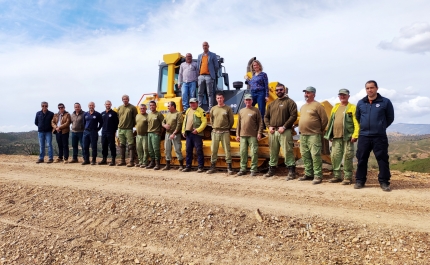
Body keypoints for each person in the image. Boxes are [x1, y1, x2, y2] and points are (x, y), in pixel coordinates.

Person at [355, 80, 395, 192]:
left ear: (377, 88)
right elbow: (358, 117)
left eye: (371, 88)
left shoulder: (385, 102)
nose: (369, 90)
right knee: (361, 159)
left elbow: (390, 117)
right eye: (367, 88)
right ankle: (360, 181)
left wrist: (381, 127)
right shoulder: (361, 103)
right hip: (364, 136)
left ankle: (384, 182)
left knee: (382, 159)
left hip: (379, 136)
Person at [324, 89, 360, 185]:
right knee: (335, 156)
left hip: (347, 137)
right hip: (336, 136)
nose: (342, 96)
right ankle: (337, 176)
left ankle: (347, 177)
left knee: (347, 156)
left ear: (348, 96)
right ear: (339, 96)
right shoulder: (335, 107)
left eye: (344, 95)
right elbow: (331, 121)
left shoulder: (352, 107)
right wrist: (330, 133)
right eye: (341, 95)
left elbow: (356, 122)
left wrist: (355, 134)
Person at [263, 83, 298, 179]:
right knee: (273, 151)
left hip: (284, 131)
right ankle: (271, 170)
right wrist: (269, 126)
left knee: (287, 151)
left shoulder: (290, 102)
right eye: (277, 90)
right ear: (275, 91)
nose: (279, 91)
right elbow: (266, 117)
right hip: (273, 131)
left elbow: (293, 116)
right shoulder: (271, 104)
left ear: (284, 90)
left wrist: (285, 126)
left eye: (281, 90)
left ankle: (291, 172)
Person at [298, 86, 328, 184]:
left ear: (313, 94)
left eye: (308, 93)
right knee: (305, 155)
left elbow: (324, 120)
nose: (306, 94)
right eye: (305, 93)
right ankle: (308, 174)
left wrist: (318, 130)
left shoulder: (318, 106)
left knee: (315, 155)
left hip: (314, 135)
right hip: (303, 135)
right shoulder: (303, 107)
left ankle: (318, 176)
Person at [206, 92, 235, 175]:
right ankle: (212, 166)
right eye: (218, 98)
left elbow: (231, 121)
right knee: (214, 150)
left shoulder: (228, 108)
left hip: (225, 132)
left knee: (227, 150)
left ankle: (229, 167)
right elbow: (211, 120)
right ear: (216, 99)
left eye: (221, 98)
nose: (219, 99)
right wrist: (215, 126)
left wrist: (227, 128)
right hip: (215, 132)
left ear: (223, 98)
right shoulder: (213, 109)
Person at [236, 94, 263, 176]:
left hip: (253, 135)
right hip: (242, 135)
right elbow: (238, 124)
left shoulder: (256, 110)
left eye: (249, 100)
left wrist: (259, 133)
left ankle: (253, 169)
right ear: (244, 101)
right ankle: (243, 169)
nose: (248, 101)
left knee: (254, 152)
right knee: (243, 152)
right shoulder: (241, 111)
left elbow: (260, 122)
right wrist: (237, 134)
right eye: (246, 100)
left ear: (252, 101)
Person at [181, 98, 207, 172]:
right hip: (189, 133)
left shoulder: (201, 111)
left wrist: (198, 130)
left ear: (197, 103)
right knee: (188, 150)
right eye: (191, 103)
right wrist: (183, 131)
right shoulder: (188, 110)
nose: (192, 104)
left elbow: (204, 122)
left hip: (197, 134)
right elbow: (184, 122)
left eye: (193, 103)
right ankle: (188, 166)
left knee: (199, 150)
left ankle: (200, 167)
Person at [162, 101, 184, 171]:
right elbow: (163, 122)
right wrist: (165, 126)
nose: (167, 107)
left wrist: (174, 133)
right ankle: (168, 165)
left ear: (173, 106)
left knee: (177, 149)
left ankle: (181, 165)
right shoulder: (168, 114)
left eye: (168, 106)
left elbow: (179, 125)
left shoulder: (178, 114)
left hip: (175, 135)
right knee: (167, 149)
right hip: (167, 134)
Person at [197, 41, 219, 111]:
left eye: (206, 45)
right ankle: (199, 108)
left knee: (210, 93)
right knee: (200, 93)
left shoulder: (213, 55)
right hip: (201, 76)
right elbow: (198, 66)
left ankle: (210, 108)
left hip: (209, 76)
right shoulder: (199, 56)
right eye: (203, 45)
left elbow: (216, 66)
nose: (204, 47)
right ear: (202, 47)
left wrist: (212, 73)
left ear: (208, 46)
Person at [117, 95, 138, 167]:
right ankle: (122, 161)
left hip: (128, 129)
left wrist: (132, 126)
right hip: (120, 129)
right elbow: (118, 118)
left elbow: (135, 118)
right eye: (124, 99)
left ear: (128, 100)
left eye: (126, 99)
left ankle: (131, 161)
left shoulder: (132, 108)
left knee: (131, 145)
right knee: (122, 145)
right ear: (122, 100)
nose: (125, 100)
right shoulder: (119, 108)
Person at [247, 60, 269, 124]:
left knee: (261, 109)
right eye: (254, 65)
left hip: (260, 93)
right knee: (250, 106)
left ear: (259, 66)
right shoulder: (253, 75)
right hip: (253, 92)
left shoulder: (263, 74)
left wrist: (267, 95)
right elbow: (251, 83)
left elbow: (266, 85)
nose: (255, 66)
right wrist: (247, 79)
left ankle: (262, 125)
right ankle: (251, 122)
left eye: (256, 65)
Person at [146, 100, 165, 170]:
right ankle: (152, 162)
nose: (151, 107)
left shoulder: (159, 114)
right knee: (150, 149)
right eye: (150, 105)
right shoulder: (149, 115)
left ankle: (157, 164)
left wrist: (160, 132)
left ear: (156, 106)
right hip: (149, 133)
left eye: (153, 105)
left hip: (156, 134)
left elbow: (163, 124)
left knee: (156, 149)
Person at [99, 100, 119, 166]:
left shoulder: (114, 113)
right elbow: (100, 123)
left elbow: (116, 123)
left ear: (111, 105)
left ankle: (113, 160)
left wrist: (115, 131)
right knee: (104, 146)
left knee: (112, 146)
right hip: (104, 132)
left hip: (111, 132)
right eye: (106, 104)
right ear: (104, 105)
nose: (108, 105)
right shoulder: (102, 113)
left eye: (109, 104)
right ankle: (104, 159)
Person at [135, 104, 149, 168]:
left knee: (145, 149)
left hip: (145, 135)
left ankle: (145, 162)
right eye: (141, 108)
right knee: (139, 149)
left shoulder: (148, 116)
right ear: (139, 109)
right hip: (138, 135)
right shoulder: (137, 116)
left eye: (143, 108)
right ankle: (140, 161)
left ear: (146, 109)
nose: (142, 109)